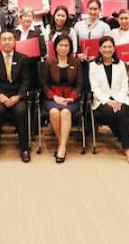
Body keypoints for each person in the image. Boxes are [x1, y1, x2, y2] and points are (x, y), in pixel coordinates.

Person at [0, 30, 31, 164]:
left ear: (15, 41)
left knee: (21, 111)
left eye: (10, 39)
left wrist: (18, 96)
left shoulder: (23, 58)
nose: (7, 42)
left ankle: (24, 148)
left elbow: (26, 81)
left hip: (17, 95)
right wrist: (0, 95)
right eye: (4, 39)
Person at [89, 36, 129, 164]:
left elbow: (125, 85)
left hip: (121, 98)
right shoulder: (93, 65)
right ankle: (126, 142)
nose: (107, 49)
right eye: (104, 47)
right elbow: (95, 87)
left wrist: (118, 100)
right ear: (99, 49)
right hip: (102, 100)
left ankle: (127, 148)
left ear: (114, 49)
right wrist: (108, 101)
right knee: (109, 111)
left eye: (110, 47)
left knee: (121, 112)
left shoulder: (120, 64)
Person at [41, 35, 83, 163]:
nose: (63, 48)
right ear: (56, 47)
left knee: (65, 112)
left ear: (70, 48)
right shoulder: (49, 62)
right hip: (53, 97)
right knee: (54, 112)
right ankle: (62, 145)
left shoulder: (76, 62)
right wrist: (54, 96)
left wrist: (71, 97)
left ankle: (61, 147)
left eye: (66, 45)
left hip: (70, 98)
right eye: (61, 45)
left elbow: (79, 84)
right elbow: (44, 84)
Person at [13, 7, 47, 89]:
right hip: (18, 66)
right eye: (25, 16)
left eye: (29, 16)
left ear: (33, 18)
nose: (27, 18)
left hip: (33, 65)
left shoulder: (38, 31)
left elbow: (43, 50)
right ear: (20, 18)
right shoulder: (14, 31)